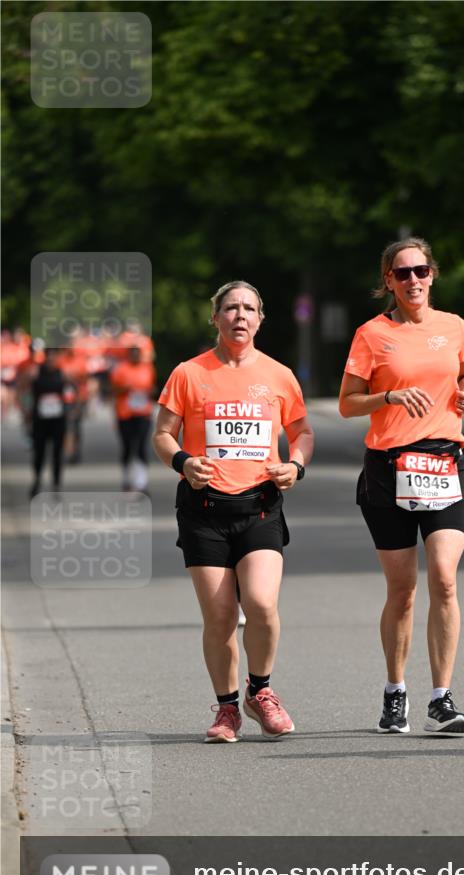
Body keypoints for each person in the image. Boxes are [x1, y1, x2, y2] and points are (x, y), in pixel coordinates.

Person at [153, 280, 314, 743]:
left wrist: (295, 465)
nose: (240, 316)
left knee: (262, 604)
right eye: (230, 308)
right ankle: (226, 709)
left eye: (249, 309)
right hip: (204, 510)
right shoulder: (189, 373)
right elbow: (163, 435)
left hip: (260, 506)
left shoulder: (279, 375)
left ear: (260, 319)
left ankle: (260, 692)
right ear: (215, 318)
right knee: (221, 616)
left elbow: (302, 433)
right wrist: (184, 462)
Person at [339, 237, 464, 736]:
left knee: (444, 578)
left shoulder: (455, 327)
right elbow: (348, 403)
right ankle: (395, 692)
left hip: (444, 464)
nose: (413, 280)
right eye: (403, 274)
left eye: (421, 271)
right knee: (402, 589)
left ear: (433, 274)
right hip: (389, 468)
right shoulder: (371, 334)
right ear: (388, 283)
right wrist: (390, 394)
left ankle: (441, 699)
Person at [109, 344, 156, 491]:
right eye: (133, 354)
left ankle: (142, 482)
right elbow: (113, 389)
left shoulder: (148, 369)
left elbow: (153, 388)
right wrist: (126, 388)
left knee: (142, 446)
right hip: (125, 413)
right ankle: (126, 479)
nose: (136, 356)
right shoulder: (120, 369)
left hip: (143, 413)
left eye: (138, 354)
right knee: (127, 447)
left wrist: (149, 392)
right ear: (129, 355)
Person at [29, 348, 75, 498]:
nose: (51, 360)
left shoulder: (63, 374)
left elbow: (72, 392)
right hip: (40, 419)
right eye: (48, 357)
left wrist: (71, 409)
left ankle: (56, 485)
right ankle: (37, 481)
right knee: (39, 452)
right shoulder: (35, 372)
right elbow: (23, 390)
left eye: (53, 357)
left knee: (57, 453)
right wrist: (25, 410)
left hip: (58, 419)